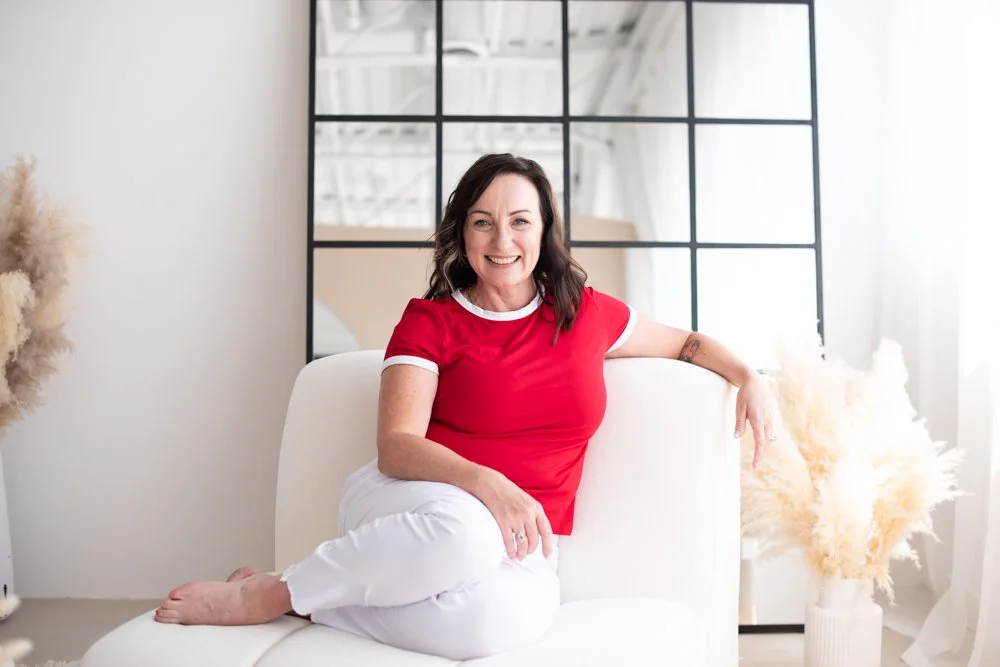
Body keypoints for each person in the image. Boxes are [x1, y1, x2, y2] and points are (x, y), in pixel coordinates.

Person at [153, 153, 776, 659]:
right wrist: (493, 488)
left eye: (520, 222)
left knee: (496, 624)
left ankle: (303, 599)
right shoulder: (431, 322)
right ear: (462, 232)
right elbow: (396, 446)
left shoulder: (586, 314)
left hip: (527, 541)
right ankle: (268, 596)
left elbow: (687, 344)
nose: (502, 240)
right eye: (483, 222)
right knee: (466, 536)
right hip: (414, 506)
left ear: (545, 230)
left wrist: (748, 374)